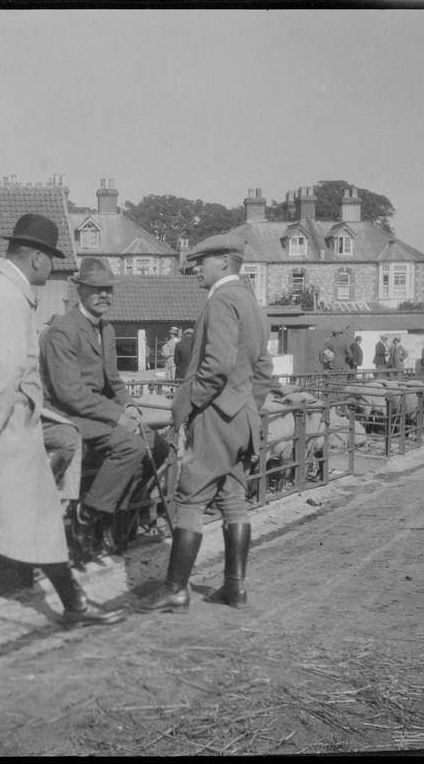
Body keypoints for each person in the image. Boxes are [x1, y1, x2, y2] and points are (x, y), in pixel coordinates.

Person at [0, 212, 125, 627]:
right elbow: (5, 374)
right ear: (38, 258)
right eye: (52, 260)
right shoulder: (10, 297)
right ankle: (73, 604)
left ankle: (48, 592)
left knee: (12, 510)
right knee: (41, 514)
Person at [139, 233, 275, 614]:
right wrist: (246, 405)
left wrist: (183, 406)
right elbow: (263, 369)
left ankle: (176, 589)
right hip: (241, 415)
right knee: (233, 497)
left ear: (225, 263)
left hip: (215, 414)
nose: (196, 266)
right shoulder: (252, 303)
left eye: (203, 260)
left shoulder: (221, 301)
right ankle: (235, 587)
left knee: (190, 497)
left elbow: (214, 368)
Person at [39, 256, 170, 557]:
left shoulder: (106, 330)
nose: (105, 295)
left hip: (94, 411)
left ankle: (116, 511)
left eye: (109, 290)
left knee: (158, 447)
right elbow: (69, 393)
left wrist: (129, 406)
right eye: (97, 289)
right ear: (80, 291)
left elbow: (113, 380)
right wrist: (117, 415)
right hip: (64, 415)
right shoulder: (63, 331)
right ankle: (87, 516)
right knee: (131, 447)